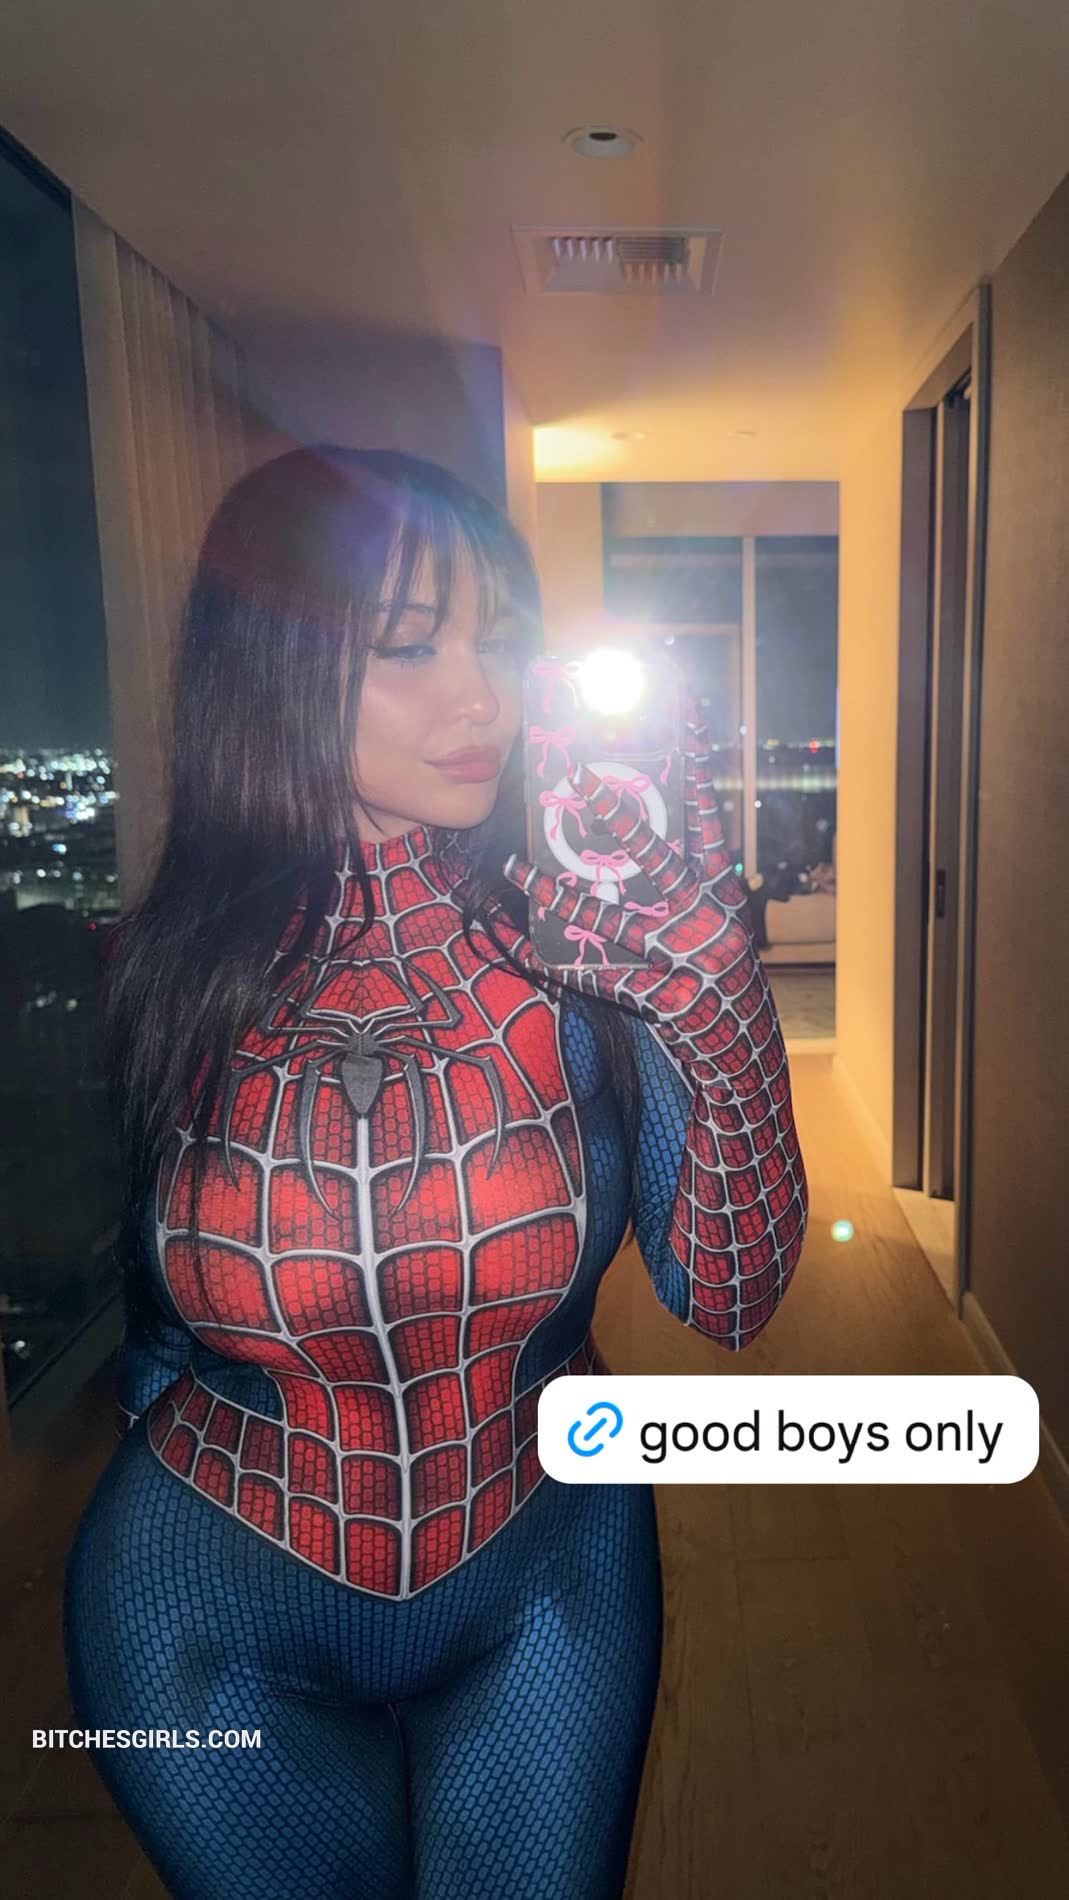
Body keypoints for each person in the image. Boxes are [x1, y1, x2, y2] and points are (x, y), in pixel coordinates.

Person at [62, 446, 809, 1900]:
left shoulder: (586, 938)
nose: (483, 699)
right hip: (196, 1612)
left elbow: (727, 1301)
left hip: (549, 1568)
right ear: (273, 662)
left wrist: (720, 1004)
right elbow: (150, 1337)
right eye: (409, 647)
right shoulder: (164, 969)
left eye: (500, 642)